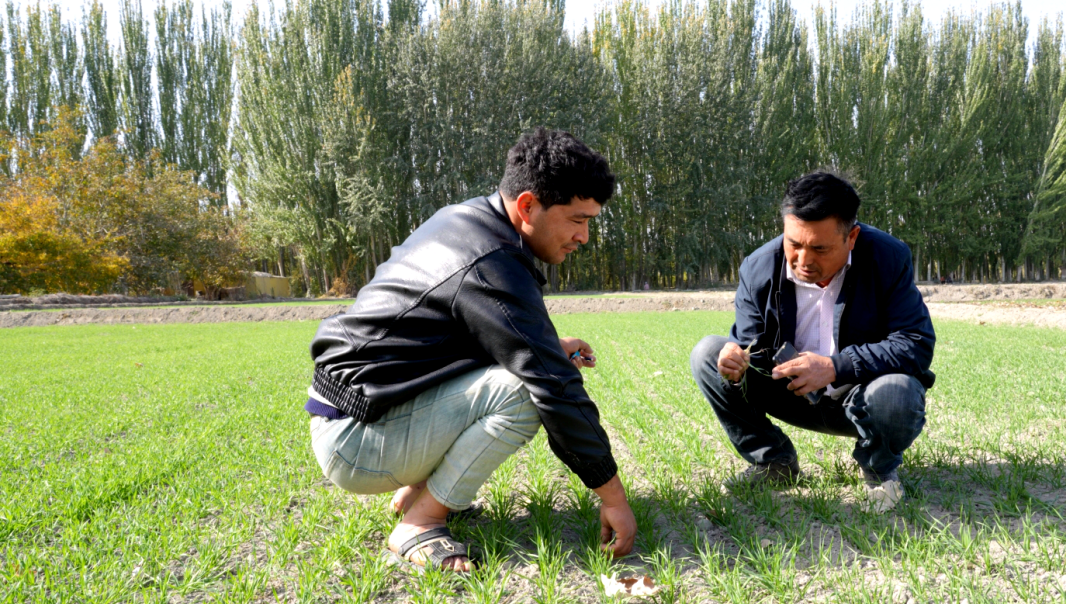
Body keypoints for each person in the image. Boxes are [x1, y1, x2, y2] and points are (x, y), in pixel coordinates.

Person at [306, 128, 636, 572]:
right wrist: (612, 496)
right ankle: (420, 523)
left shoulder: (469, 223)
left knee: (533, 365)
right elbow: (553, 385)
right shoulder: (489, 260)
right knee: (525, 390)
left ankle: (417, 492)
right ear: (527, 205)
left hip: (363, 413)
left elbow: (447, 332)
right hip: (357, 439)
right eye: (578, 220)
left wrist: (548, 345)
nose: (584, 237)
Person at [690, 172, 935, 492]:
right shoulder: (758, 266)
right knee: (707, 353)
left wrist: (834, 366)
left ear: (852, 238)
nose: (802, 261)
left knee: (897, 393)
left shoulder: (886, 258)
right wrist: (735, 359)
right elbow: (749, 343)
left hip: (860, 397)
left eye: (819, 248)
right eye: (794, 243)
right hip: (789, 393)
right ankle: (774, 462)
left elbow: (915, 343)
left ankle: (878, 469)